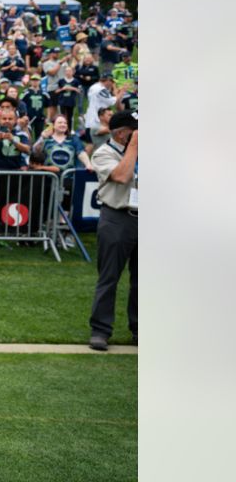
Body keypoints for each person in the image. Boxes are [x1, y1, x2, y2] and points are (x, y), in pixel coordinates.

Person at [88, 111, 138, 351]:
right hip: (117, 217)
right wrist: (135, 147)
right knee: (109, 277)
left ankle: (140, 328)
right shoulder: (103, 153)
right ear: (121, 134)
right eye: (133, 131)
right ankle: (100, 330)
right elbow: (122, 175)